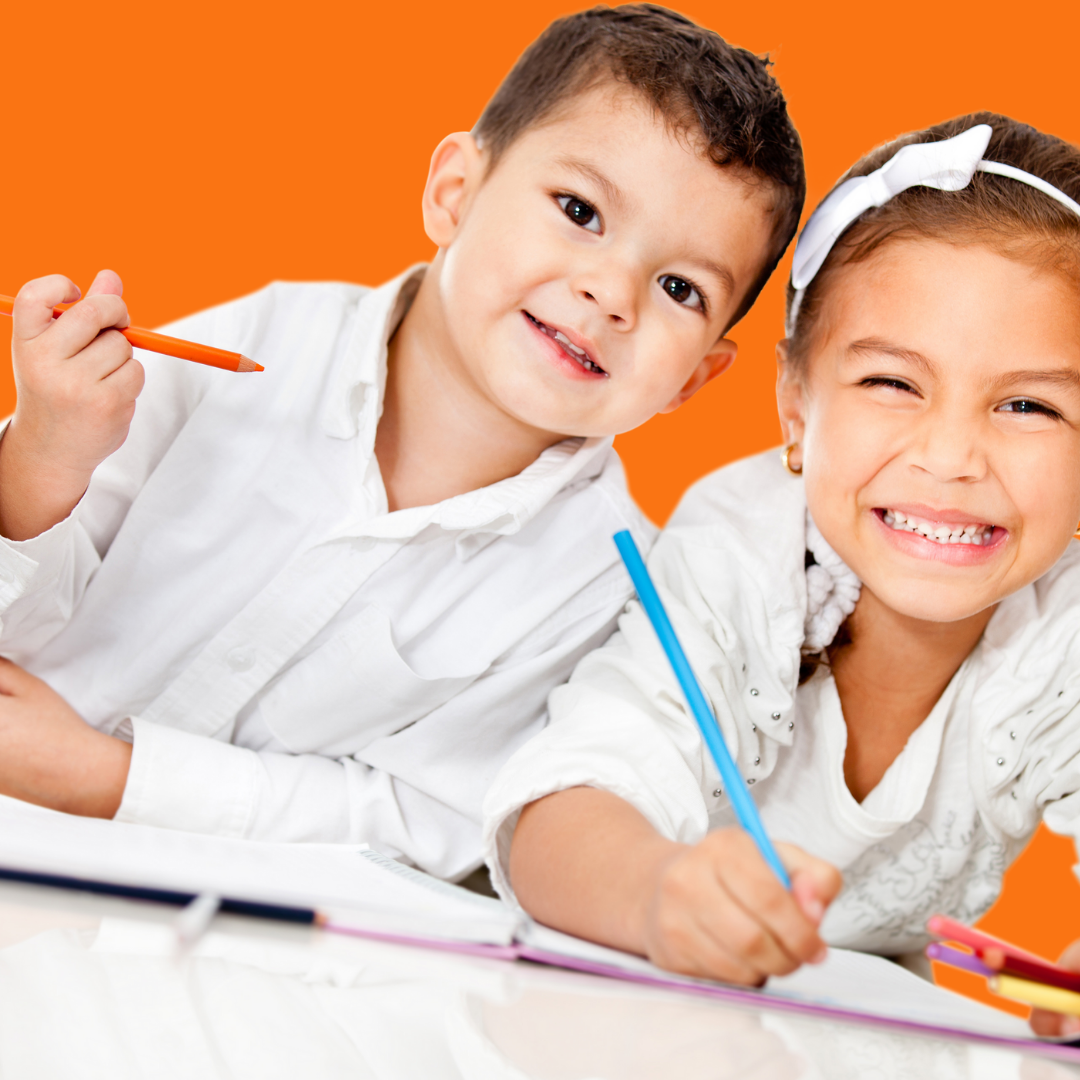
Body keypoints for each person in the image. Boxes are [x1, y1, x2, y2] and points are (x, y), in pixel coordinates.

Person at [0, 5, 806, 881]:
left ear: (695, 378)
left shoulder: (597, 586)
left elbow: (421, 824)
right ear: (454, 192)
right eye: (580, 209)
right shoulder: (260, 347)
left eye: (681, 288)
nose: (613, 292)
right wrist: (48, 449)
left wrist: (110, 780)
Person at [484, 112, 1080, 983]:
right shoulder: (739, 556)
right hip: (617, 990)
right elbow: (555, 812)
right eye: (891, 382)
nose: (950, 459)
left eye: (1028, 405)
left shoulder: (1064, 628)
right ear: (795, 407)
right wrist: (660, 894)